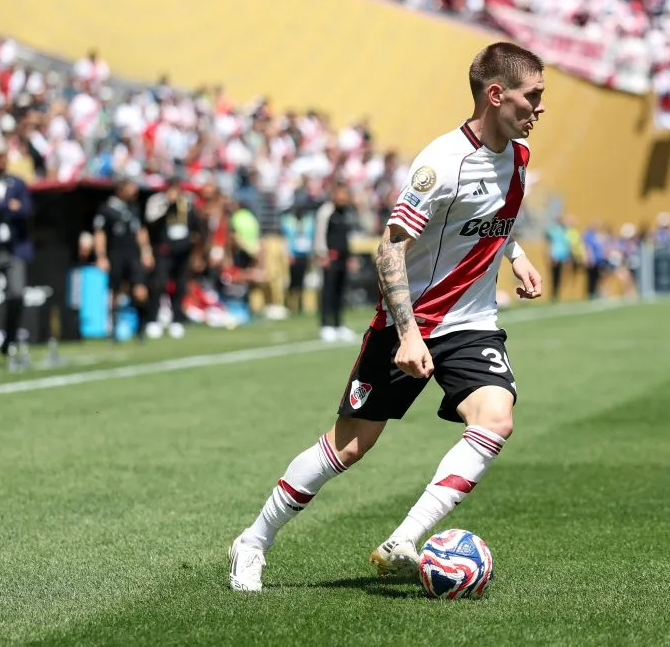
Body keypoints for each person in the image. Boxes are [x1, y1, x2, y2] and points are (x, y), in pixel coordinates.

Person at [228, 41, 546, 592]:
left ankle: (405, 538)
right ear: (496, 95)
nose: (540, 107)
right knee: (349, 446)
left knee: (495, 419)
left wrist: (515, 255)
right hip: (411, 324)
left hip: (471, 324)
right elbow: (389, 248)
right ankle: (252, 541)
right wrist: (408, 334)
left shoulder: (517, 156)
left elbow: (491, 216)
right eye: (532, 96)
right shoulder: (441, 163)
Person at [0, 139, 33, 368]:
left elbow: (26, 209)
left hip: (14, 247)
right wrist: (7, 206)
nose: (2, 160)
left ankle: (9, 339)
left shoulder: (17, 182)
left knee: (17, 292)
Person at [93, 177, 154, 342]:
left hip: (133, 255)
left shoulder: (134, 208)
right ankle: (113, 329)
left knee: (140, 290)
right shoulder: (106, 209)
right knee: (115, 292)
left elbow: (140, 231)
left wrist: (146, 251)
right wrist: (101, 256)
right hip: (115, 254)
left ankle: (141, 328)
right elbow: (100, 233)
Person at [143, 177, 202, 339]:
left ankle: (177, 318)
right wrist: (168, 206)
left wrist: (194, 248)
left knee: (180, 285)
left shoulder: (188, 202)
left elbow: (195, 226)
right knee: (159, 283)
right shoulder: (157, 201)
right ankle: (153, 318)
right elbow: (151, 224)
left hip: (182, 251)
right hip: (163, 250)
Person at [313, 180, 359, 342]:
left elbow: (348, 236)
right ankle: (326, 325)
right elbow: (320, 234)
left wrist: (351, 256)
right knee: (328, 291)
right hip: (329, 258)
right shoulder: (326, 211)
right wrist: (322, 254)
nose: (343, 197)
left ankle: (339, 324)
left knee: (340, 291)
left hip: (343, 258)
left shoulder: (347, 212)